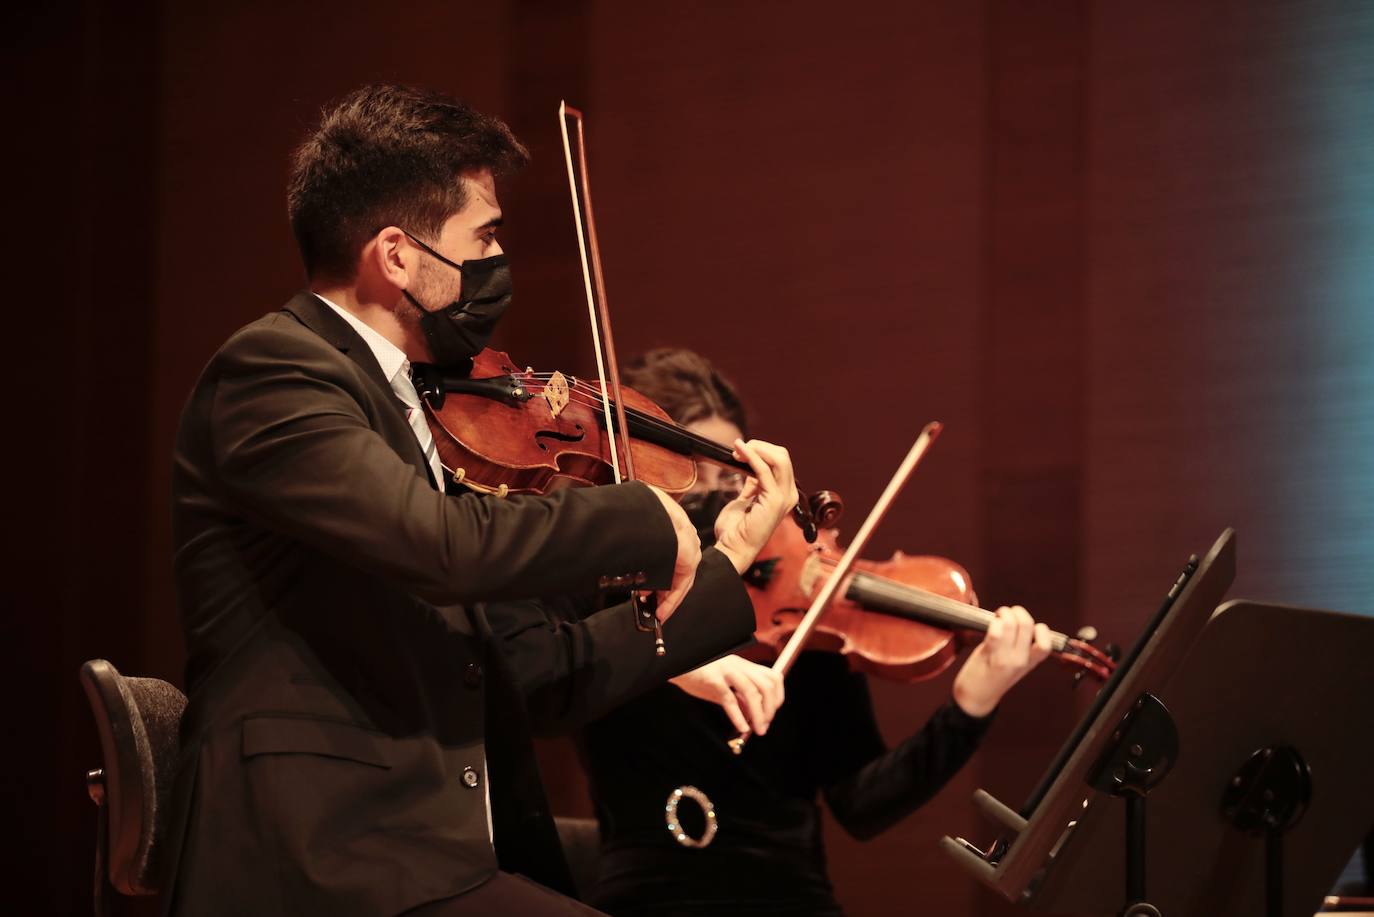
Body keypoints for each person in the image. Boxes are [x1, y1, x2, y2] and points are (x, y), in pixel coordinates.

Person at [163, 86, 800, 917]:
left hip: (425, 854)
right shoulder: (277, 372)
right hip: (317, 854)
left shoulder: (423, 407)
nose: (498, 263)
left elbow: (532, 673)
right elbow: (441, 544)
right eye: (484, 236)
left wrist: (721, 570)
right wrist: (644, 516)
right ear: (396, 254)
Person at [575, 348, 1054, 917]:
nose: (719, 505)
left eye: (733, 479)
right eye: (691, 482)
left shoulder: (804, 618)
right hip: (643, 896)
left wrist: (970, 708)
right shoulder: (598, 597)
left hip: (785, 896)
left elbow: (863, 802)